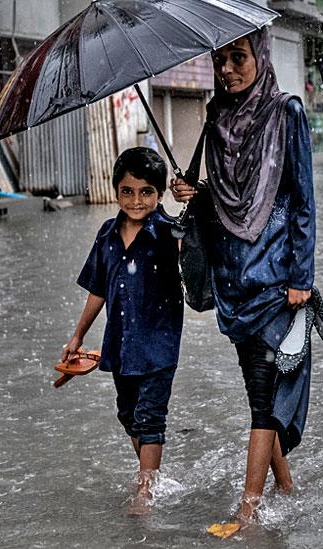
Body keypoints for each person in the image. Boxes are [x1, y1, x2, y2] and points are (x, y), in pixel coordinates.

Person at [171, 28, 317, 524]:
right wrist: (196, 192)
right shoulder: (217, 117)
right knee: (258, 390)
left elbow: (302, 203)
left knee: (263, 396)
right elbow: (227, 196)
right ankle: (287, 487)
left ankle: (249, 512)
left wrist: (302, 276)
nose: (228, 69)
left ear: (261, 56)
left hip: (276, 276)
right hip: (233, 275)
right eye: (220, 59)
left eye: (239, 57)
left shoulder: (286, 112)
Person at [62, 147, 183, 516]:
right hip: (121, 342)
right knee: (127, 414)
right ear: (115, 191)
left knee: (149, 415)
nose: (136, 200)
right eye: (127, 191)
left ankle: (146, 489)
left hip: (159, 343)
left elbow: (197, 259)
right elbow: (98, 288)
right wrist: (78, 335)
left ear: (160, 194)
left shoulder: (169, 233)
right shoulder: (107, 233)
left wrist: (192, 203)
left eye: (147, 191)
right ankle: (152, 473)